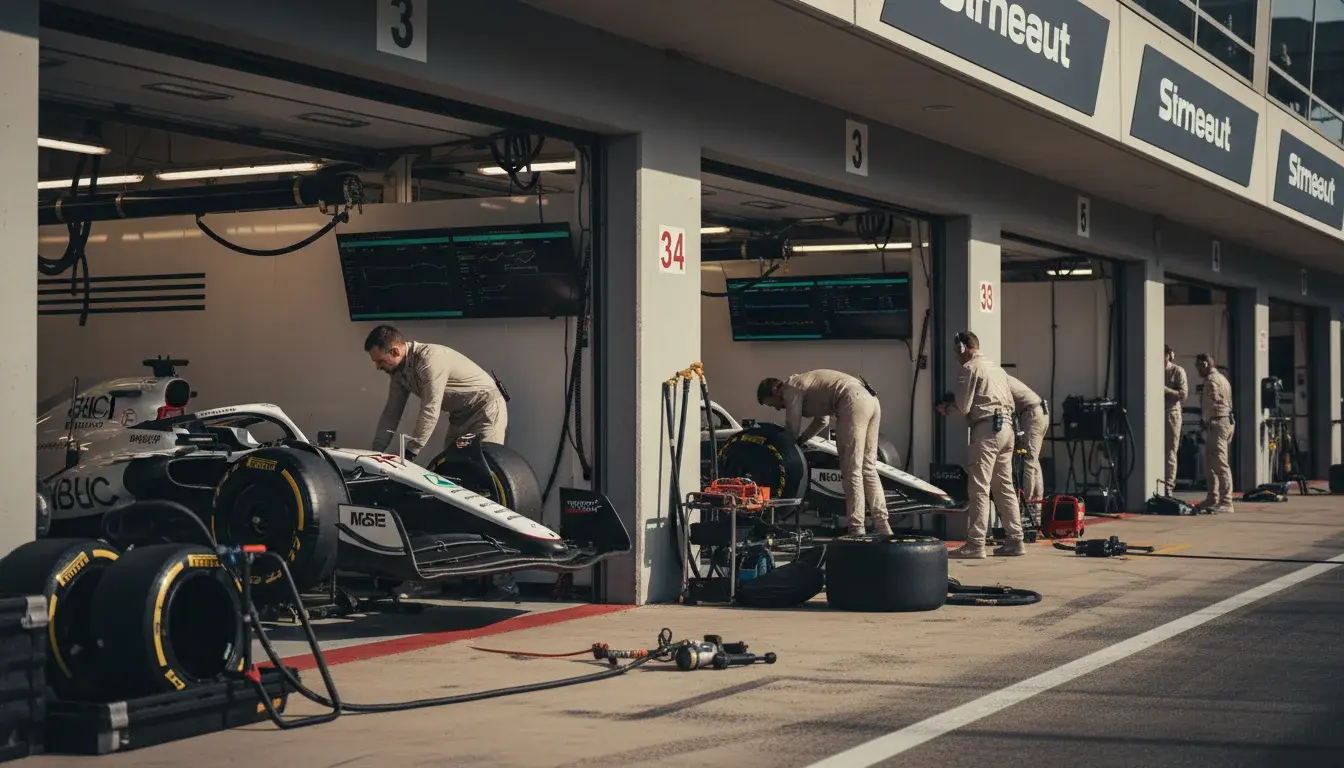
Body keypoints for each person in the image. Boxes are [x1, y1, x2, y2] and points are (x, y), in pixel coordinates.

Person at [756, 370, 893, 536]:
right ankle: (882, 525)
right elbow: (822, 420)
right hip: (870, 400)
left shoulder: (790, 387)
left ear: (776, 390)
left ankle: (857, 529)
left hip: (851, 400)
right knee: (868, 467)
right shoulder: (809, 386)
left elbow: (792, 427)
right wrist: (803, 440)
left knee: (851, 470)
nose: (777, 408)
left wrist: (779, 446)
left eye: (773, 404)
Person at [935, 332, 1025, 559]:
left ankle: (975, 544)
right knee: (1004, 487)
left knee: (979, 489)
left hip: (986, 431)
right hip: (1006, 429)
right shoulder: (997, 369)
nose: (956, 356)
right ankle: (1015, 540)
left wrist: (947, 408)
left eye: (957, 351)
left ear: (963, 347)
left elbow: (963, 406)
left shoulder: (969, 369)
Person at [365, 325, 508, 462]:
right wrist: (376, 452)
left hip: (486, 410)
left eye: (380, 361)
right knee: (451, 469)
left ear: (395, 352)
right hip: (459, 416)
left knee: (486, 466)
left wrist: (411, 453)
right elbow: (392, 413)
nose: (378, 367)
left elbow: (430, 408)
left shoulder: (428, 360)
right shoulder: (397, 372)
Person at [1005, 373, 1048, 523]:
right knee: (1034, 460)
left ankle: (1026, 503)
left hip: (1032, 413)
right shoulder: (1006, 378)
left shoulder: (999, 380)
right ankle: (1035, 507)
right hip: (1038, 411)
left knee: (1029, 459)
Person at [1195, 352, 1235, 513]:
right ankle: (1213, 497)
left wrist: (1207, 417)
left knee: (1219, 462)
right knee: (1210, 463)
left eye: (1198, 367)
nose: (1198, 371)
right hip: (1217, 423)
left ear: (1205, 364)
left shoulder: (1212, 381)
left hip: (1219, 422)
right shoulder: (1222, 379)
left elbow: (1217, 402)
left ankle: (1226, 501)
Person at [1162, 345, 1189, 493]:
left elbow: (1183, 395)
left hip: (1171, 412)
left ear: (1169, 355)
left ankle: (1169, 486)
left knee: (1170, 451)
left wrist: (1166, 390)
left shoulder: (1177, 371)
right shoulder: (1153, 369)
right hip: (1156, 412)